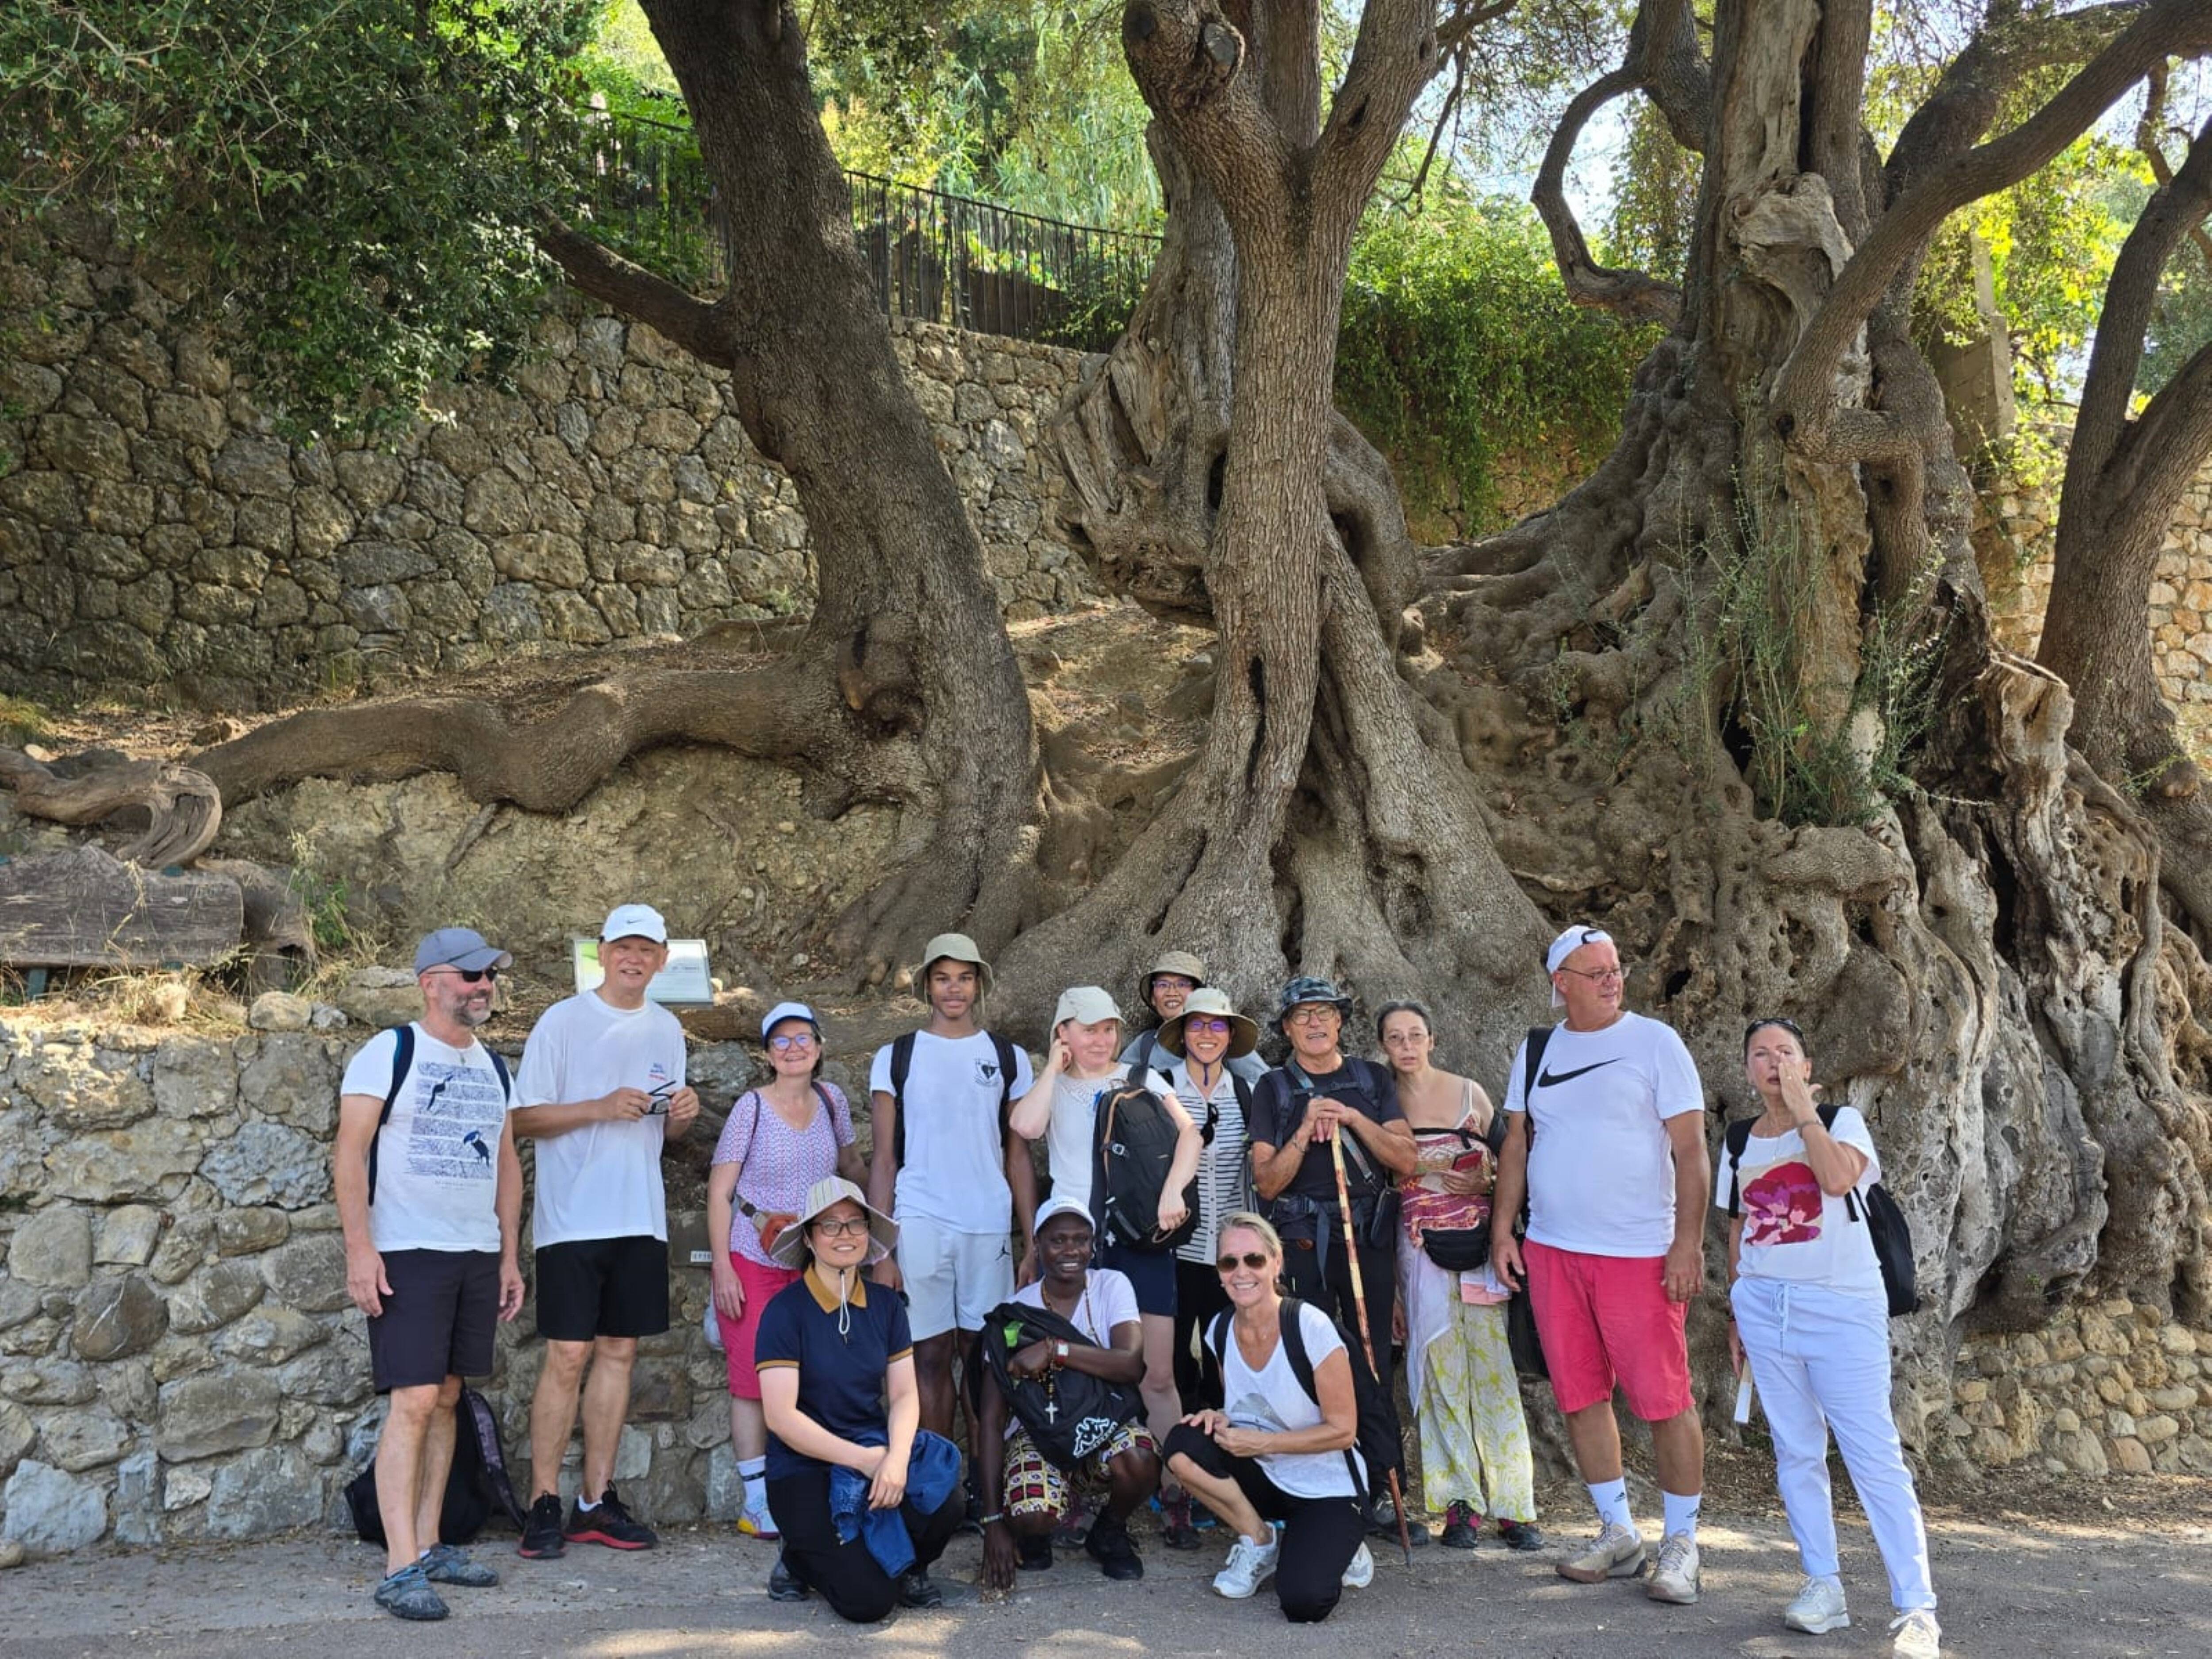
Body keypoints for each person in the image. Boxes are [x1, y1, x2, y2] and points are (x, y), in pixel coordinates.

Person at [1490, 925, 1710, 1604]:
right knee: (1581, 1396)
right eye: (1595, 972)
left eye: (1616, 967)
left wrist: (1688, 1244)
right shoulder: (1536, 1049)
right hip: (1554, 1251)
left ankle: (1682, 1543)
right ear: (1562, 983)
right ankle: (1618, 1531)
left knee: (1665, 1401)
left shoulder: (1655, 1043)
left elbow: (1693, 1151)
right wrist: (1504, 1232)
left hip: (1639, 1253)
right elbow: (1518, 1148)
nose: (1613, 980)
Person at [1723, 1019, 1941, 1659]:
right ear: (1745, 1068)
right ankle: (1824, 1584)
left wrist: (1803, 1114)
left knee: (1872, 1453)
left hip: (1842, 1306)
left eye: (1784, 1052)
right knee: (1795, 1450)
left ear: (1806, 1063)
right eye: (1760, 1053)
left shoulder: (1840, 1120)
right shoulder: (1737, 1139)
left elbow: (1839, 1180)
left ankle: (1916, 1608)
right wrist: (1739, 1312)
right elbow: (1739, 1228)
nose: (1772, 1061)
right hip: (1766, 1307)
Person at [334, 926, 526, 1621]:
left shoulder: (497, 1067)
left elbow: (507, 1166)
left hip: (474, 1252)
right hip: (407, 1250)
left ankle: (435, 1541)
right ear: (430, 982)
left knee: (447, 1395)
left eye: (489, 976)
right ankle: (399, 1564)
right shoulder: (390, 1051)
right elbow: (350, 1155)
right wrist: (361, 1249)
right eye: (470, 974)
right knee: (413, 1401)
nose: (483, 986)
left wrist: (507, 1255)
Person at [511, 903, 700, 1559]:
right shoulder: (564, 1020)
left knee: (620, 1352)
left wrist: (681, 1115)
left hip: (638, 1216)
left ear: (662, 959)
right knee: (567, 1355)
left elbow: (666, 1134)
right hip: (572, 1219)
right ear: (601, 951)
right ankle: (542, 1502)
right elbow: (520, 1120)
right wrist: (598, 1106)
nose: (634, 958)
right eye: (623, 946)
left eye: (646, 949)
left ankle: (595, 1500)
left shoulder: (668, 1027)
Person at [756, 1177, 965, 1620]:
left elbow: (906, 1394)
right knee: (868, 1602)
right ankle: (799, 1557)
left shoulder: (887, 1306)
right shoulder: (785, 1312)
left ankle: (909, 1568)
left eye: (854, 1224)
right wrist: (865, 1461)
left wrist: (894, 1458)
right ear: (810, 1238)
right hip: (804, 1469)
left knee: (945, 1494)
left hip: (872, 1451)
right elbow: (779, 1417)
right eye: (830, 1225)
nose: (844, 1235)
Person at [1379, 1000, 1542, 1553]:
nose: (1406, 1046)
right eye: (1395, 1038)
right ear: (1383, 1047)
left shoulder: (1471, 1093)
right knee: (1441, 1374)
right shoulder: (1383, 1101)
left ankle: (1515, 1507)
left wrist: (1487, 1190)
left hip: (1477, 1247)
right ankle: (1460, 1506)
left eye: (1415, 1035)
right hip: (1417, 1253)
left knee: (1493, 1374)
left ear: (1432, 1038)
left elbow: (1512, 1165)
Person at [1009, 985, 1198, 1458]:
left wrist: (1173, 1190)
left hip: (1140, 1237)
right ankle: (1083, 1483)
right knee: (1075, 1365)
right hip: (1075, 1244)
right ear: (1063, 1032)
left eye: (1109, 1029)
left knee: (1156, 1372)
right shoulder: (1050, 1087)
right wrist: (1053, 1067)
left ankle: (1175, 1486)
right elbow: (1026, 1128)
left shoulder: (1142, 1078)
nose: (1101, 1039)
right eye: (1088, 1029)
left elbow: (1190, 1134)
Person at [707, 1001, 866, 1559]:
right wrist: (723, 1266)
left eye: (803, 1039)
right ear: (767, 1053)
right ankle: (756, 1501)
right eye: (781, 1041)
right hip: (753, 1257)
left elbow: (850, 1167)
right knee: (753, 1377)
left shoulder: (832, 1101)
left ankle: (807, 1483)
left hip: (814, 1260)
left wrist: (876, 1225)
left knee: (817, 1374)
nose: (793, 1049)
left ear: (819, 1048)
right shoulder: (751, 1108)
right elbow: (720, 1190)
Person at [866, 933, 1037, 1450]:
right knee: (929, 1355)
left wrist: (1031, 1242)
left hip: (988, 1224)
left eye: (964, 978)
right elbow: (883, 1159)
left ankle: (982, 1490)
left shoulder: (1007, 1058)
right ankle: (935, 1482)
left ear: (979, 983)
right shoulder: (895, 1057)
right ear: (926, 986)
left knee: (984, 1357)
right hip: (919, 1220)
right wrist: (882, 1249)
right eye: (943, 978)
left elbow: (1018, 1156)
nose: (954, 989)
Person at [1165, 1213, 1373, 1621]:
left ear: (1277, 1263)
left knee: (1304, 1602)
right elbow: (1249, 1406)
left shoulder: (1310, 1326)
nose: (1241, 1272)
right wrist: (1221, 1417)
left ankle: (1344, 1544)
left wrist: (1262, 1443)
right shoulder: (1220, 1329)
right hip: (1267, 1471)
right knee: (1182, 1444)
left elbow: (1344, 1431)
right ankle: (1259, 1539)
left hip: (1328, 1483)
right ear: (1219, 1272)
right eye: (1229, 1263)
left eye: (1254, 1260)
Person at [977, 1195, 1160, 1589]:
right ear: (1038, 1245)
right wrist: (994, 1522)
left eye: (1081, 1239)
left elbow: (1130, 1364)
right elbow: (991, 1422)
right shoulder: (1015, 1313)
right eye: (1058, 1241)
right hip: (1040, 1435)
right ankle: (1036, 1533)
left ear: (1093, 1245)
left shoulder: (1111, 1286)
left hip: (1099, 1424)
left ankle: (1108, 1531)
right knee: (1030, 1514)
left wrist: (1053, 1351)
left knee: (1141, 1458)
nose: (1071, 1250)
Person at [1246, 975, 1416, 1395]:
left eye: (1324, 1012)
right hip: (1304, 1242)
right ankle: (1325, 1448)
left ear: (1339, 1021)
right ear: (1287, 1028)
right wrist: (1304, 1131)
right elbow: (1265, 1184)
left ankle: (1379, 1455)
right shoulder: (1273, 1088)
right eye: (1301, 1015)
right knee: (1309, 1350)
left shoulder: (1372, 1079)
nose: (1314, 1022)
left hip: (1368, 1240)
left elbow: (1407, 1159)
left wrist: (1354, 1120)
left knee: (1375, 1349)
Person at [1150, 986, 1260, 1544]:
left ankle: (1225, 1481)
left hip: (1230, 1261)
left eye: (1218, 1027)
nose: (1207, 1035)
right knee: (1174, 1370)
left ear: (1230, 1036)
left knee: (1225, 1371)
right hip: (1175, 1253)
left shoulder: (1246, 1089)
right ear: (1182, 1033)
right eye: (1198, 1026)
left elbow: (1252, 1173)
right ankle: (1176, 1490)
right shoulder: (1160, 1087)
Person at [1121, 950, 1267, 1087]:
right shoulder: (1146, 1044)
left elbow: (1266, 1086)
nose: (1172, 992)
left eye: (1182, 984)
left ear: (1197, 994)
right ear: (1153, 998)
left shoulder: (1219, 1039)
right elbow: (1114, 1085)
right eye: (1163, 985)